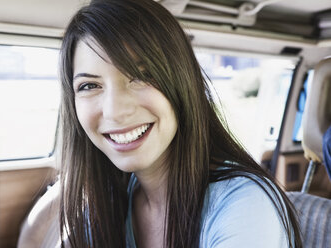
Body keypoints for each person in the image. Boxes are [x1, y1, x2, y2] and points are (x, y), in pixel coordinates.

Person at [58, 0, 302, 247]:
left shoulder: (246, 205)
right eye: (90, 86)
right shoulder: (109, 199)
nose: (114, 112)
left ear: (182, 81)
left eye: (141, 76)